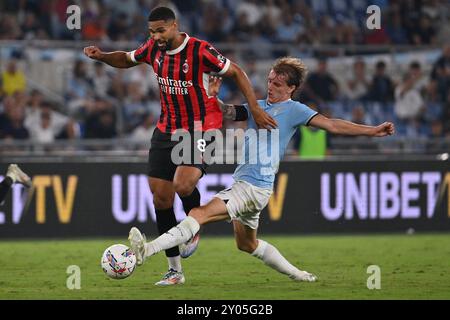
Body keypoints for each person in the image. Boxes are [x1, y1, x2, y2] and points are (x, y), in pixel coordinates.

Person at [128, 57, 395, 283]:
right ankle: (300, 275)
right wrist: (213, 96)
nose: (270, 87)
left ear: (291, 88)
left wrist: (371, 131)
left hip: (251, 188)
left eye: (277, 84)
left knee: (198, 213)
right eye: (269, 81)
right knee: (246, 244)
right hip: (255, 189)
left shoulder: (295, 110)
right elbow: (227, 113)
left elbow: (333, 125)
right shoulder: (258, 107)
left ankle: (148, 250)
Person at [84, 6, 276, 286]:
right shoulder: (153, 49)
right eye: (152, 32)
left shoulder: (200, 50)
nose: (156, 36)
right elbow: (126, 59)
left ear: (175, 26)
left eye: (161, 30)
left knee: (183, 186)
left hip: (201, 126)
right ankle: (175, 271)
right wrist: (101, 56)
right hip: (166, 128)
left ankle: (192, 226)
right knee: (160, 198)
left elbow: (236, 72)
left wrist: (256, 109)